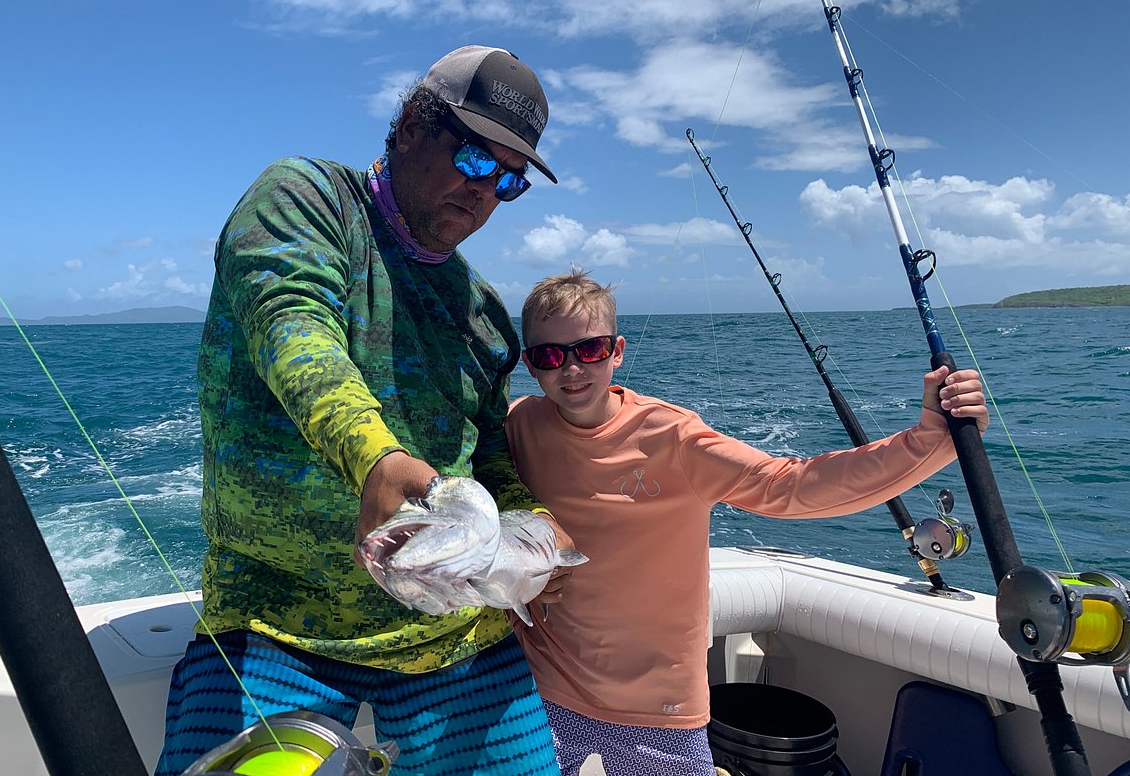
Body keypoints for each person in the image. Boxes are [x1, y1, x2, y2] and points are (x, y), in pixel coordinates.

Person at [155, 46, 574, 776]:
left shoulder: (482, 314)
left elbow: (492, 459)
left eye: (511, 182)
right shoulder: (305, 200)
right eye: (478, 161)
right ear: (413, 124)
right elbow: (294, 327)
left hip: (457, 637)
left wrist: (537, 529)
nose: (487, 194)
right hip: (278, 624)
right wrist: (374, 456)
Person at [504, 269, 991, 776]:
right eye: (550, 355)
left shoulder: (674, 436)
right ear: (530, 365)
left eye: (590, 349)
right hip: (543, 684)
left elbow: (793, 486)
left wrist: (931, 438)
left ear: (617, 351)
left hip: (660, 705)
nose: (572, 368)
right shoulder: (520, 425)